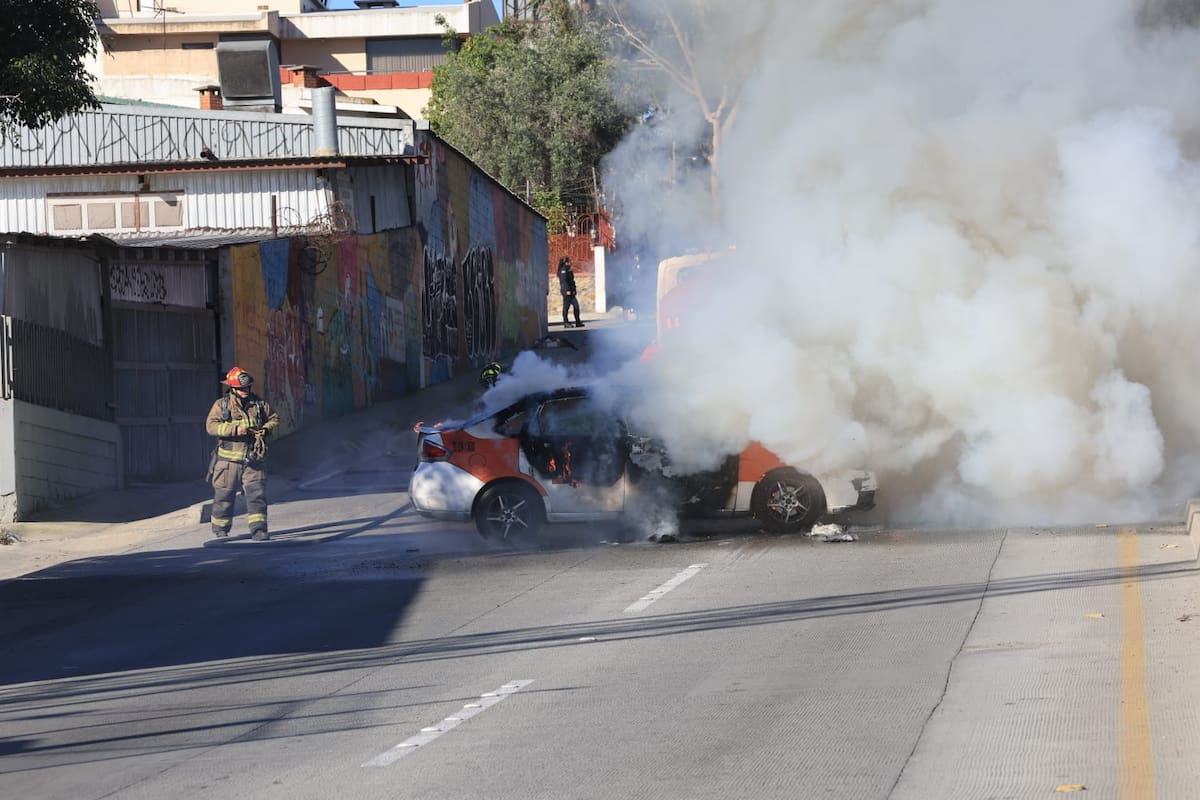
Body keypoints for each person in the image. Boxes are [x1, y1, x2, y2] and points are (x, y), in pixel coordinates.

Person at [206, 366, 280, 540]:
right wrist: (234, 429)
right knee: (223, 497)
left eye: (246, 387)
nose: (244, 391)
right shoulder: (221, 405)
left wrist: (265, 429)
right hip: (228, 463)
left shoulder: (260, 405)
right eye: (240, 388)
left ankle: (259, 530)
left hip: (253, 460)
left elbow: (274, 419)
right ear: (233, 388)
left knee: (257, 496)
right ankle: (220, 530)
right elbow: (211, 426)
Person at [557, 256, 584, 328]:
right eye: (569, 261)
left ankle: (578, 322)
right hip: (567, 292)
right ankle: (566, 322)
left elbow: (572, 281)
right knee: (566, 307)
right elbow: (564, 282)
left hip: (571, 291)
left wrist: (574, 289)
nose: (570, 262)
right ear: (565, 262)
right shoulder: (563, 270)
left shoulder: (568, 269)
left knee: (576, 306)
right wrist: (567, 290)